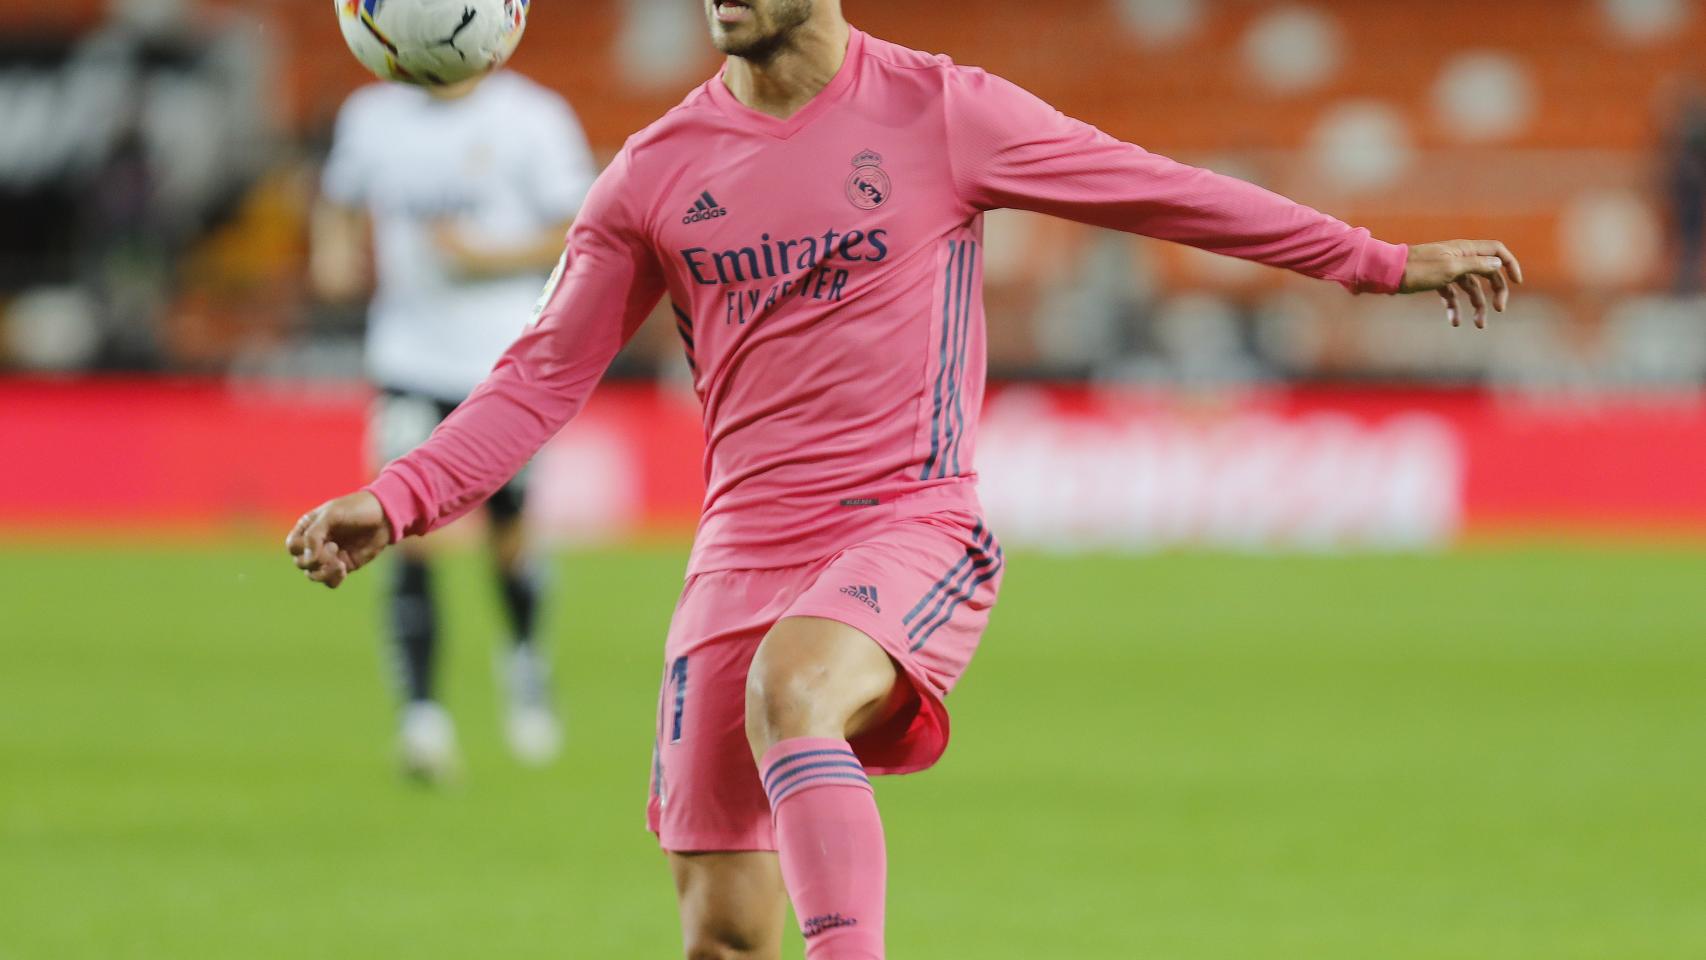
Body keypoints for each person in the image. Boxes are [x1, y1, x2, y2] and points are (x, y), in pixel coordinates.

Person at [288, 0, 1523, 953]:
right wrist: (396, 497)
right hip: (738, 553)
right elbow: (539, 376)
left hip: (905, 522)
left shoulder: (940, 111)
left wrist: (1373, 261)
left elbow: (1161, 192)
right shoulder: (653, 173)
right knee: (721, 933)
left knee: (798, 686)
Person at [309, 68, 597, 781]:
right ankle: (422, 717)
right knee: (403, 534)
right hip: (406, 356)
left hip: (504, 365)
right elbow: (339, 202)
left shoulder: (533, 116)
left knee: (509, 533)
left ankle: (526, 659)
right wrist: (334, 252)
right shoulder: (371, 115)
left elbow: (582, 230)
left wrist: (483, 256)